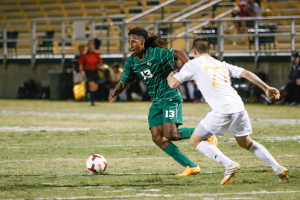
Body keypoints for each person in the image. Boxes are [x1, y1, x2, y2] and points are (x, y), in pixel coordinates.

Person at [167, 37, 288, 184]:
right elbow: (247, 73)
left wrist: (170, 75)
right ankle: (278, 168)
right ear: (209, 51)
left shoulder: (192, 64)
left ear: (194, 51)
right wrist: (266, 87)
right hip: (238, 107)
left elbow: (173, 85)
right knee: (246, 142)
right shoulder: (220, 64)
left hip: (222, 110)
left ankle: (228, 164)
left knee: (195, 140)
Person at [109, 27, 218, 176]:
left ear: (142, 42)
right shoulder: (131, 61)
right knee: (157, 137)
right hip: (156, 102)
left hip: (170, 96)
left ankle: (207, 133)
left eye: (134, 42)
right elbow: (123, 82)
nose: (130, 46)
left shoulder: (156, 53)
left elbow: (178, 53)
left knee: (171, 134)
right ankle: (191, 166)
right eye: (129, 42)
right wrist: (114, 92)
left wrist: (190, 69)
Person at [78, 40, 103, 106]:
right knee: (92, 85)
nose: (90, 46)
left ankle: (89, 93)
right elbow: (81, 64)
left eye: (92, 45)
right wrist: (82, 71)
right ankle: (92, 101)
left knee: (95, 87)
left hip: (95, 71)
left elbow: (100, 62)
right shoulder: (84, 55)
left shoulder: (96, 54)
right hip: (88, 71)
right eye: (89, 45)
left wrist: (100, 67)